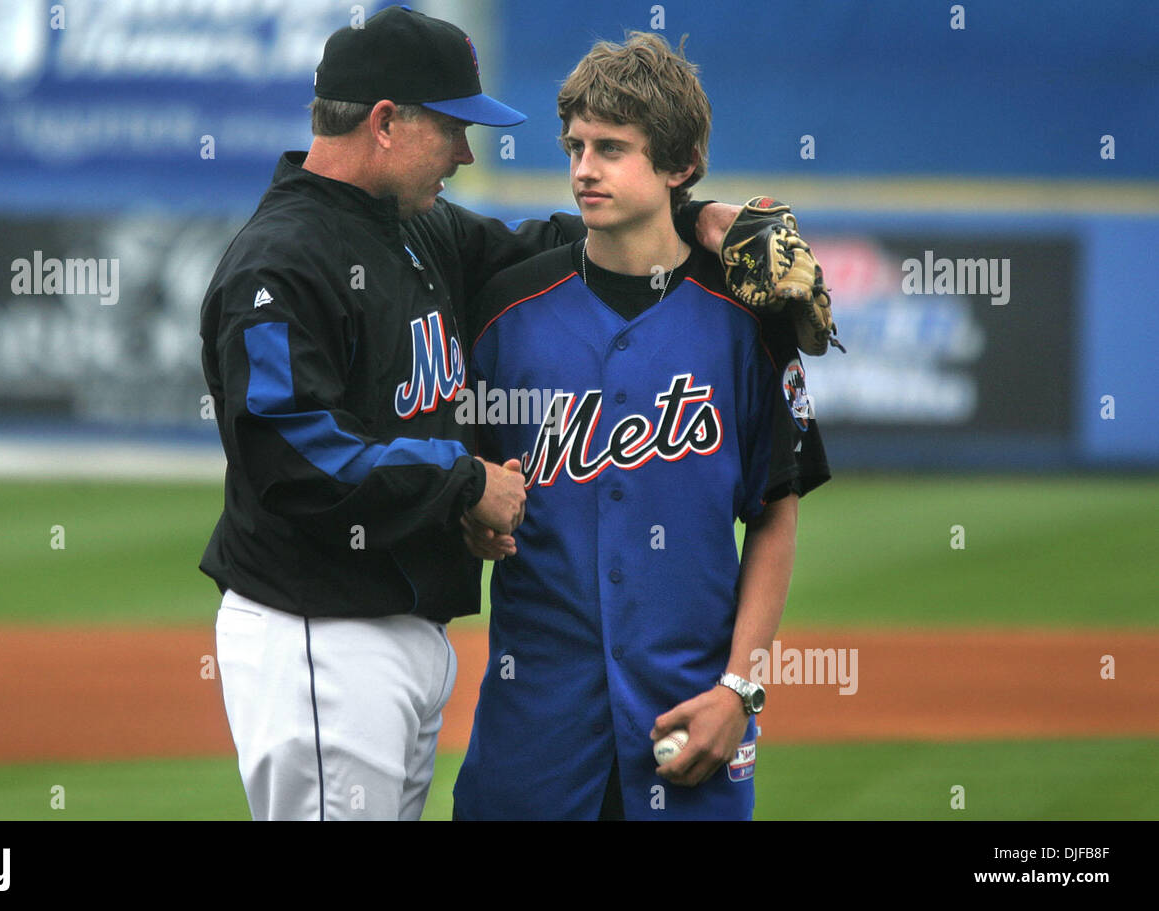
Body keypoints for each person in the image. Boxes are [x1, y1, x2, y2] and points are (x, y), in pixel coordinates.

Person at [199, 5, 818, 821]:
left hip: (407, 634)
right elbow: (290, 451)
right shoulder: (280, 261)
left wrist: (709, 222)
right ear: (386, 123)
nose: (465, 151)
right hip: (319, 625)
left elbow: (586, 247)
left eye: (606, 149)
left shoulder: (421, 232)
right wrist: (462, 485)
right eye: (453, 127)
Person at [452, 31, 831, 820]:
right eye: (576, 146)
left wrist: (740, 690)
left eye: (613, 148)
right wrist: (468, 515)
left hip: (690, 720)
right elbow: (463, 484)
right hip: (534, 734)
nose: (585, 168)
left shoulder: (748, 322)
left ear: (678, 166)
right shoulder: (504, 312)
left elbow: (775, 511)